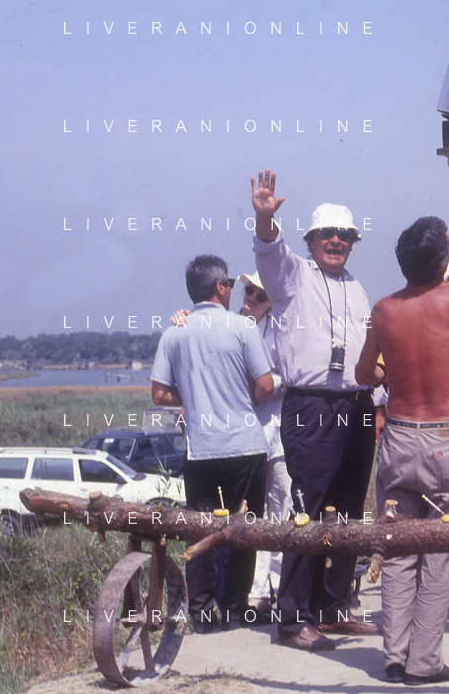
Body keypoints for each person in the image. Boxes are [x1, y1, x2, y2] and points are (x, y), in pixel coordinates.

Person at [354, 139, 449, 686]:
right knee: (438, 553)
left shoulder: (385, 310)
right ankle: (425, 662)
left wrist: (391, 368)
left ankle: (394, 655)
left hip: (401, 440)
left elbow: (364, 374)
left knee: (398, 549)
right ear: (444, 259)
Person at [251, 173, 380, 652]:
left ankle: (332, 606)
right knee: (307, 509)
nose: (336, 241)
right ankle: (292, 617)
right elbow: (270, 252)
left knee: (348, 508)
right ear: (310, 240)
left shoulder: (357, 287)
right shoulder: (293, 276)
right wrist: (265, 218)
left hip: (357, 404)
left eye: (345, 235)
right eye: (327, 234)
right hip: (312, 406)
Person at [150, 255, 276, 633]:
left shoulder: (174, 333)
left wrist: (192, 398)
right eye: (230, 284)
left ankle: (202, 612)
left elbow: (159, 394)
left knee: (201, 528)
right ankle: (235, 608)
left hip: (201, 449)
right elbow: (266, 385)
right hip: (244, 444)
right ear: (220, 287)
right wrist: (242, 400)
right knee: (245, 527)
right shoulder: (242, 327)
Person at [237, 272, 293, 612]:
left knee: (281, 509)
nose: (252, 297)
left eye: (260, 294)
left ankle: (273, 587)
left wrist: (263, 384)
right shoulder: (228, 327)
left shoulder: (283, 331)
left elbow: (290, 375)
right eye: (248, 290)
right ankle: (250, 591)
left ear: (271, 301)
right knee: (248, 512)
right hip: (243, 435)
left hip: (279, 432)